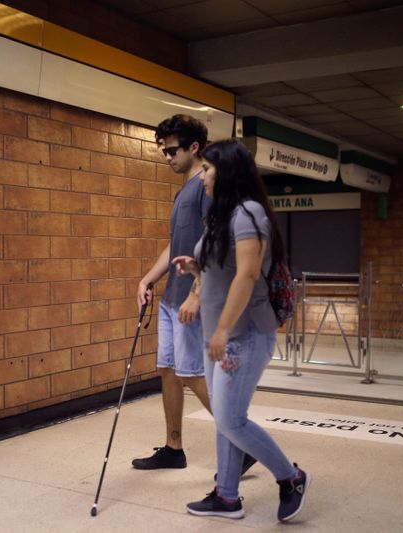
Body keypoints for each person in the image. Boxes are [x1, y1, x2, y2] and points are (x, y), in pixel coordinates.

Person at [172, 139, 310, 522]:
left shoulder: (249, 213)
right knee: (225, 418)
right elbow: (223, 270)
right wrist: (194, 267)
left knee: (231, 419)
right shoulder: (223, 214)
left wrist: (222, 331)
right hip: (218, 334)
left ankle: (291, 477)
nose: (202, 178)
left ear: (227, 171)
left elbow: (248, 275)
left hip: (243, 335)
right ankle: (227, 496)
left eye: (208, 170)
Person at [132, 115, 256, 476]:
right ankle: (173, 448)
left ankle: (243, 444)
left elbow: (215, 243)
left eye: (172, 151)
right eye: (164, 151)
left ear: (194, 148)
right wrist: (147, 280)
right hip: (172, 297)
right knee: (168, 370)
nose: (167, 157)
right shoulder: (182, 191)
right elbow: (177, 247)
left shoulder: (205, 188)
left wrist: (197, 296)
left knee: (191, 373)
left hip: (191, 300)